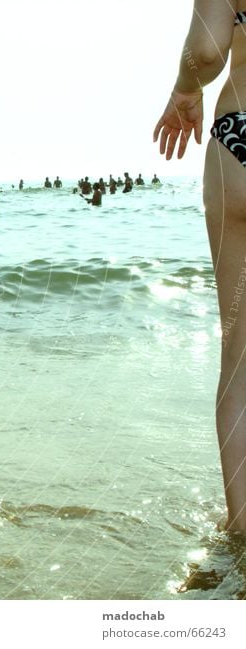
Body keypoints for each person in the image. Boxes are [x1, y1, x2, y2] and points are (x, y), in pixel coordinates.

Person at [154, 0, 246, 532]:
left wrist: (185, 90)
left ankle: (240, 529)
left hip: (239, 136)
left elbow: (209, 49)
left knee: (240, 356)